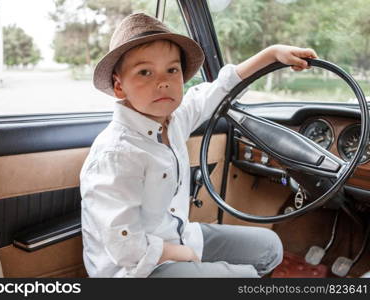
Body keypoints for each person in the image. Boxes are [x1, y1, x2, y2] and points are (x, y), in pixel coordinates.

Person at [80, 12, 318, 278]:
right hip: (135, 269)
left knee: (270, 247)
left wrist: (271, 54)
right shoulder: (115, 154)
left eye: (172, 70)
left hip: (180, 235)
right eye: (145, 72)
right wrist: (176, 253)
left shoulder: (174, 119)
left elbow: (218, 88)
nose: (163, 81)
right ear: (119, 86)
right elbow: (122, 243)